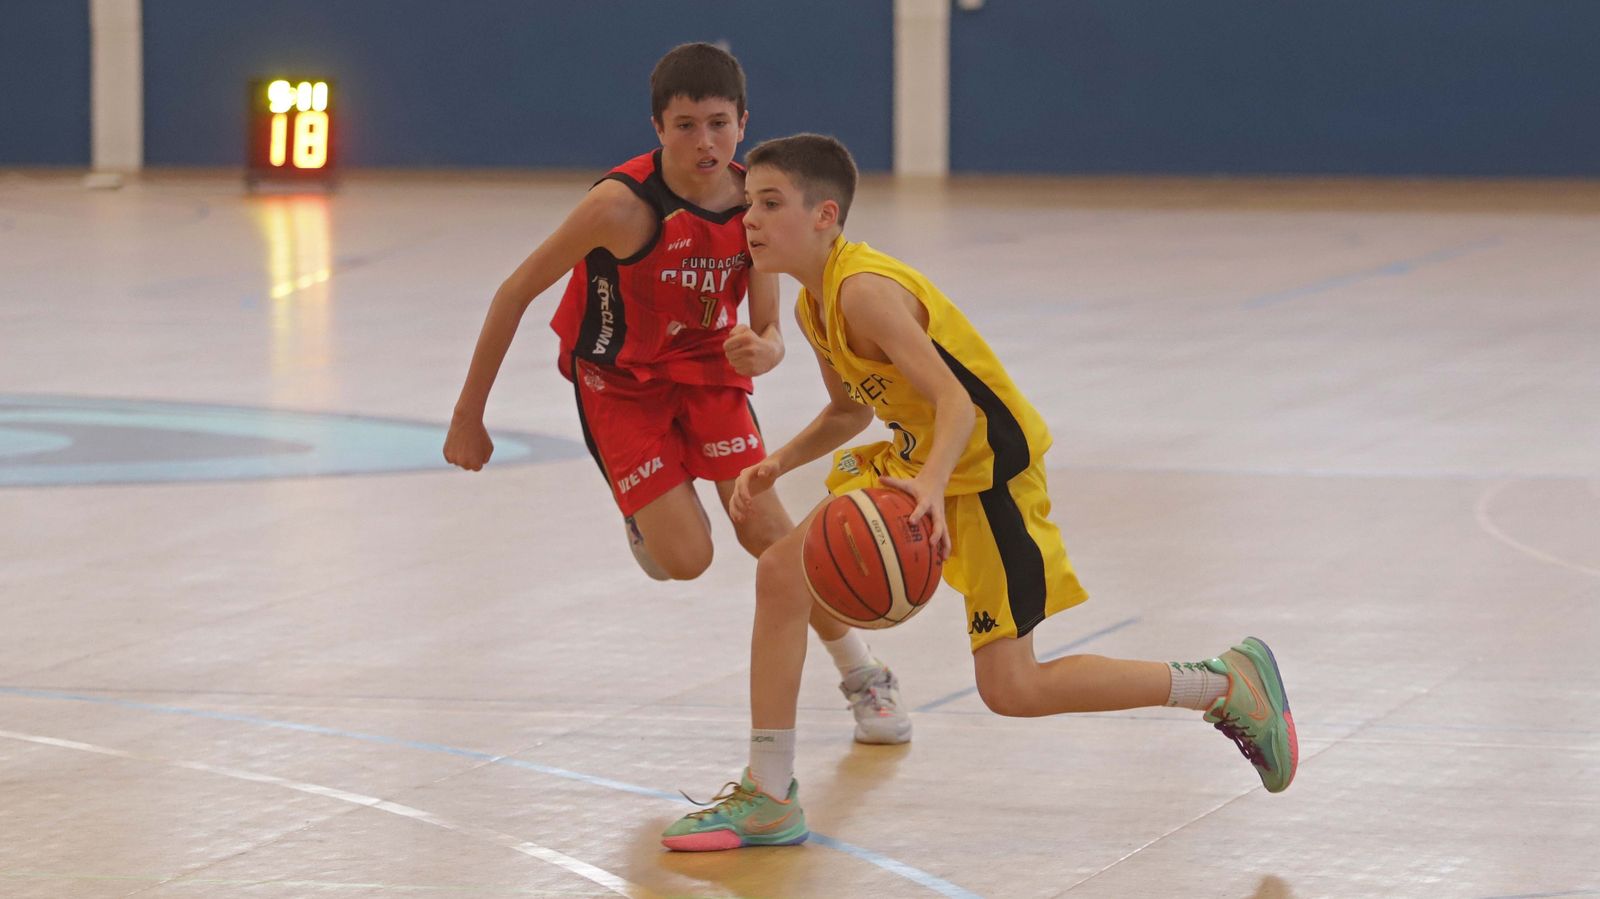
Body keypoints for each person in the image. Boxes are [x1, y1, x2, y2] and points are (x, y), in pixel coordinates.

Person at [661, 134, 1297, 851]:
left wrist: (929, 487)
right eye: (749, 203)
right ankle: (770, 793)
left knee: (1012, 688)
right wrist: (778, 461)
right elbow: (850, 410)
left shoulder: (863, 291)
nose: (749, 218)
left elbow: (957, 404)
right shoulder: (816, 303)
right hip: (922, 458)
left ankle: (1223, 683)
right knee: (782, 571)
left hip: (988, 471)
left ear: (824, 215)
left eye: (770, 203)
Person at [443, 48, 910, 744]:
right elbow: (514, 292)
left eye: (718, 123)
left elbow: (769, 326)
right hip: (618, 382)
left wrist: (769, 349)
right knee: (686, 560)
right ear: (657, 127)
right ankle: (647, 515)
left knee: (765, 529)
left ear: (743, 123)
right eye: (685, 125)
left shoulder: (756, 202)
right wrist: (468, 415)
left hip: (706, 371)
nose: (704, 142)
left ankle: (864, 674)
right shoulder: (618, 207)